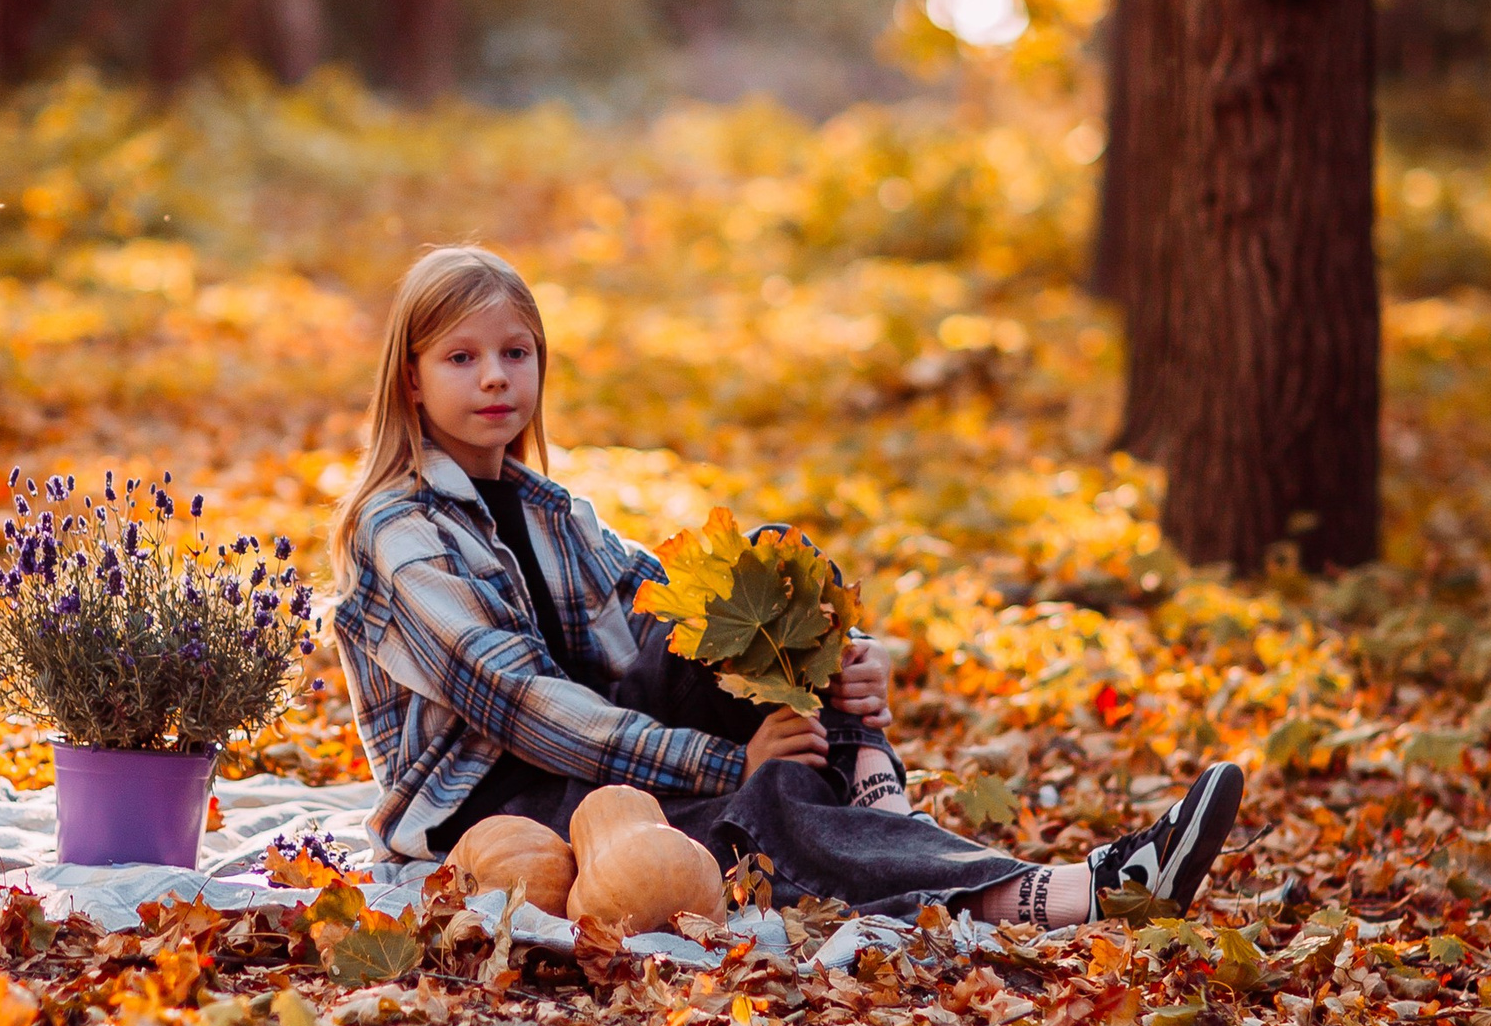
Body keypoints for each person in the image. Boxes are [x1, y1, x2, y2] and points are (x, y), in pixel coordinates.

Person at [329, 242, 1244, 928]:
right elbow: (526, 706)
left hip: (606, 754)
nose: (495, 377)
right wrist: (730, 760)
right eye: (461, 358)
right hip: (502, 804)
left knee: (765, 573)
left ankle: (869, 773)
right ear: (410, 382)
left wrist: (838, 663)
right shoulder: (399, 529)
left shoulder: (551, 507)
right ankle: (1077, 890)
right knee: (765, 802)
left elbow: (680, 620)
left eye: (516, 353)